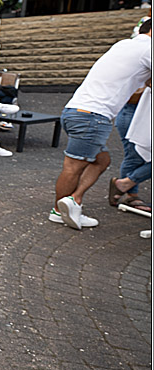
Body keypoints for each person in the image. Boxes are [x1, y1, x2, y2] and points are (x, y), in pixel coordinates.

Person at [53, 17, 152, 229]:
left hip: (75, 111)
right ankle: (59, 210)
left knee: (102, 160)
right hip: (93, 117)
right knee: (72, 167)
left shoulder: (124, 44)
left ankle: (74, 200)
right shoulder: (149, 50)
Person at [109, 85, 152, 215]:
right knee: (134, 157)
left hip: (143, 113)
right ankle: (130, 193)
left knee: (135, 156)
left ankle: (126, 186)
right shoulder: (143, 65)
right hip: (134, 113)